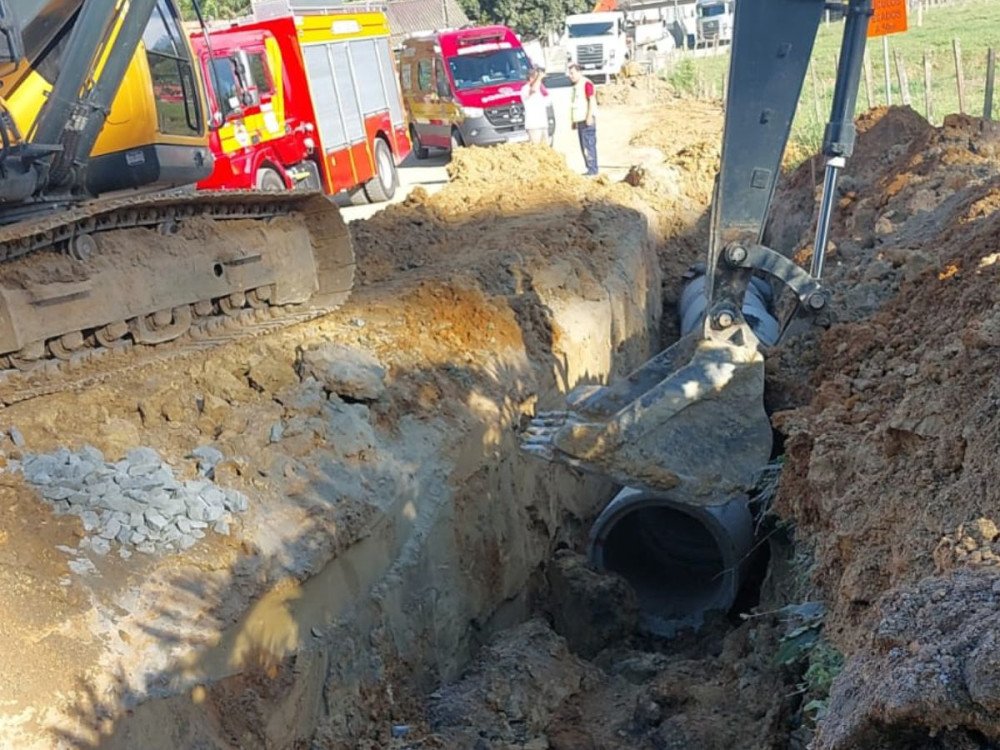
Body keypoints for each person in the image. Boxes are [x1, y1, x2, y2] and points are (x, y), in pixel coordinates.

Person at [567, 63, 598, 176]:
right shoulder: (576, 85)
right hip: (580, 120)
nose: (570, 76)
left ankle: (592, 169)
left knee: (588, 145)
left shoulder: (586, 83)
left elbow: (591, 100)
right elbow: (575, 103)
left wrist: (589, 116)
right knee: (583, 146)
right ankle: (589, 168)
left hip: (586, 120)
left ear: (579, 72)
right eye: (569, 73)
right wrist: (574, 121)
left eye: (572, 73)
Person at [520, 67, 551, 145]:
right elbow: (533, 90)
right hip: (533, 126)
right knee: (536, 149)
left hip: (543, 124)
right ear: (531, 78)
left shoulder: (539, 88)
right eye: (536, 78)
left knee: (546, 149)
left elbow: (547, 99)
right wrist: (539, 77)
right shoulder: (525, 89)